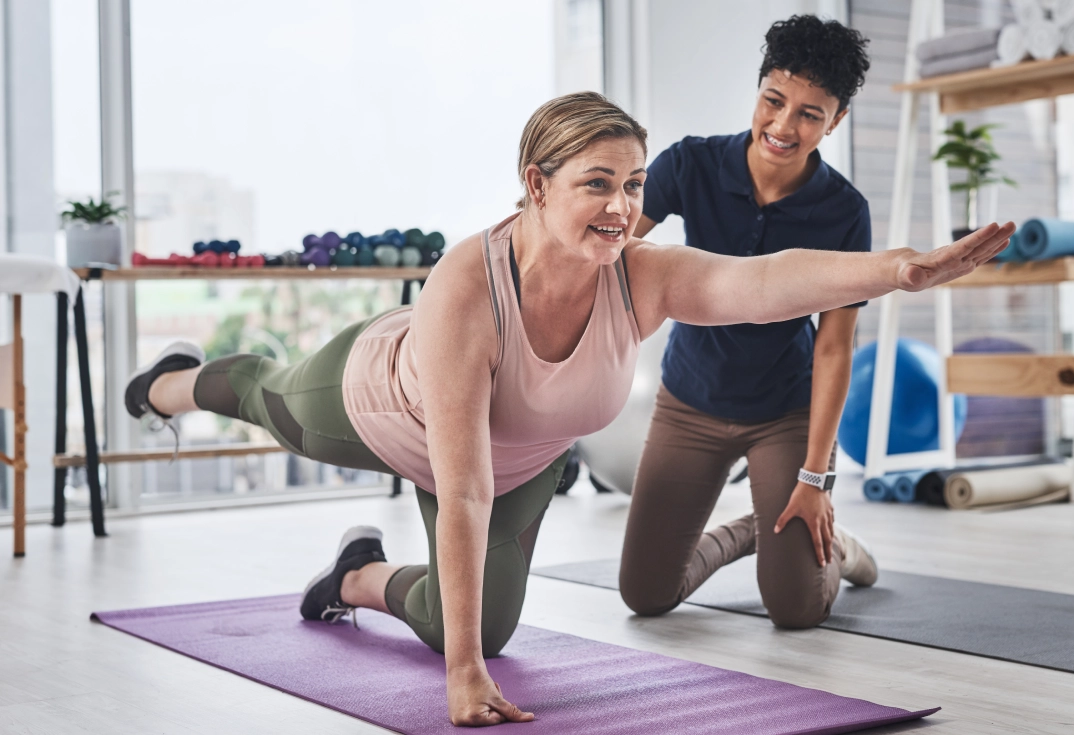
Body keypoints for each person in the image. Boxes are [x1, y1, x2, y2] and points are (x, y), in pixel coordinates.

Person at [124, 92, 1013, 727]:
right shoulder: (470, 285)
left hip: (512, 458)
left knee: (477, 620)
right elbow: (461, 492)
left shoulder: (642, 273)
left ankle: (355, 575)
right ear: (535, 183)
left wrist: (899, 270)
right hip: (375, 400)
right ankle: (169, 382)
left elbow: (765, 281)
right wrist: (463, 678)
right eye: (598, 184)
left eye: (632, 185)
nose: (623, 207)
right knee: (266, 398)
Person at [620, 15, 881, 629]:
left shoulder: (845, 212)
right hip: (690, 402)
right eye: (774, 101)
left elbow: (835, 348)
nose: (784, 127)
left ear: (835, 121)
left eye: (810, 115)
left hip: (784, 413)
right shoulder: (691, 165)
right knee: (646, 594)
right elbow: (612, 253)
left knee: (795, 609)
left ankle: (836, 547)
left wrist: (816, 478)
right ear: (759, 88)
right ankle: (752, 531)